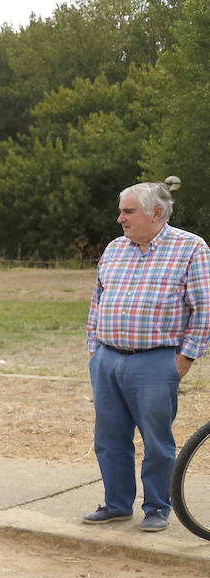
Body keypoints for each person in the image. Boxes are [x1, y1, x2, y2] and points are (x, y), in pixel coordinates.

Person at [84, 181, 209, 532]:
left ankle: (157, 507)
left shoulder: (190, 248)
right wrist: (95, 348)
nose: (120, 218)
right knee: (109, 439)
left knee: (157, 441)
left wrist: (185, 358)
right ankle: (116, 504)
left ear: (156, 213)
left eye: (128, 211)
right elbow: (97, 299)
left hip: (156, 361)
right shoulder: (114, 249)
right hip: (107, 358)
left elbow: (204, 309)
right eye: (121, 210)